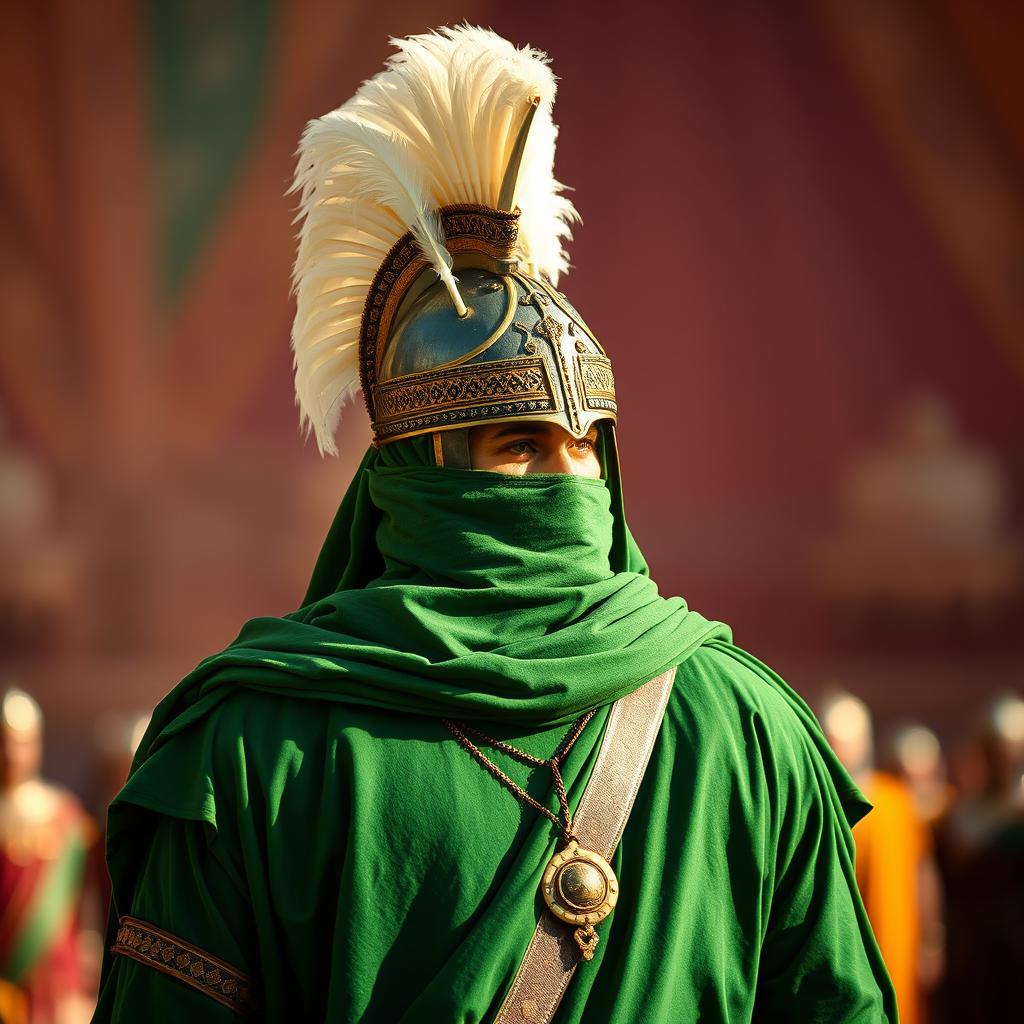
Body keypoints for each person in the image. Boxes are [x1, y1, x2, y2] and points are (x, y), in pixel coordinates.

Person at [93, 26, 895, 1023]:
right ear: (416, 476)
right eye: (519, 443)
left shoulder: (749, 731)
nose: (565, 474)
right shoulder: (252, 758)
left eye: (584, 444)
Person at [820, 691, 944, 1024]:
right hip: (841, 947)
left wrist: (932, 939)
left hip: (898, 941)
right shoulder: (818, 806)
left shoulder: (896, 802)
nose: (842, 751)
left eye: (849, 741)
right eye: (834, 741)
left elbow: (923, 870)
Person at [0, 689, 96, 1024]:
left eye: (21, 741)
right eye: (5, 741)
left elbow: (87, 900)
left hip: (60, 988)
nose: (12, 753)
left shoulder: (65, 816)